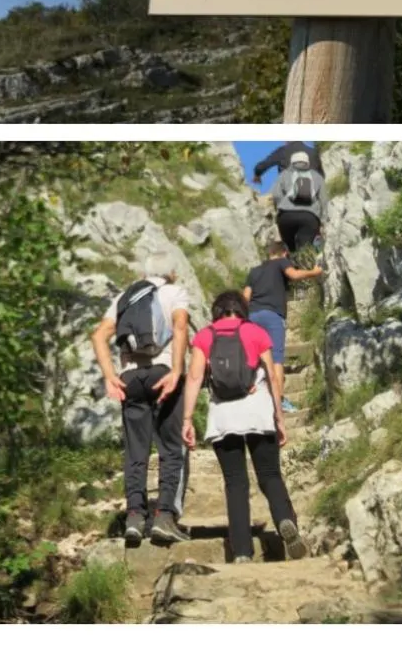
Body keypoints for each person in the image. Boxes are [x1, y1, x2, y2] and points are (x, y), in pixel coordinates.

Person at [182, 290, 304, 564]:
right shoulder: (256, 332)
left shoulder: (205, 336)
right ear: (242, 310)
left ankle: (241, 552)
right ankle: (285, 519)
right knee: (270, 474)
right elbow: (272, 377)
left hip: (223, 416)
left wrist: (187, 420)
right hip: (258, 411)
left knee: (235, 483)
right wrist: (279, 417)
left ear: (217, 311)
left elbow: (194, 378)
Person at [90, 252, 192, 545]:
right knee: (170, 448)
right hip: (163, 374)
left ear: (144, 274)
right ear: (171, 273)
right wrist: (176, 371)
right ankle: (164, 517)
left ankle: (135, 516)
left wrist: (110, 376)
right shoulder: (174, 292)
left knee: (136, 451)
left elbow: (98, 336)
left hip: (131, 378)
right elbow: (180, 326)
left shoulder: (125, 297)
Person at [243, 242, 322, 414]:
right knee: (276, 358)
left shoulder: (254, 271)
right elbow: (293, 275)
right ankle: (279, 400)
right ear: (284, 253)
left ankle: (255, 399)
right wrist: (314, 272)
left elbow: (245, 297)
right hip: (273, 315)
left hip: (252, 316)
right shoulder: (281, 262)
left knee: (255, 358)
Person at [269, 150, 327, 257]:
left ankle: (290, 260)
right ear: (307, 162)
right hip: (310, 217)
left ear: (292, 162)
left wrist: (280, 209)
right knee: (304, 248)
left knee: (290, 247)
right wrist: (323, 221)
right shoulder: (317, 177)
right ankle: (302, 263)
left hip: (286, 216)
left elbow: (276, 195)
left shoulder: (284, 174)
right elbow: (323, 200)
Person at [252, 141, 324, 184]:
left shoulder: (283, 151)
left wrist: (257, 175)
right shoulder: (313, 152)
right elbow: (322, 176)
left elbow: (261, 166)